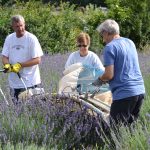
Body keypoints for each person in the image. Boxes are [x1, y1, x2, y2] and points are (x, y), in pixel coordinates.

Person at [92, 19, 145, 126]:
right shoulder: (130, 42)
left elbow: (109, 75)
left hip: (124, 95)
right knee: (130, 131)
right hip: (139, 91)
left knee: (115, 131)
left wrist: (98, 81)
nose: (103, 40)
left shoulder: (109, 47)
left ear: (106, 33)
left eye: (102, 35)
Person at [2, 14, 44, 102]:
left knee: (31, 107)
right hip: (14, 82)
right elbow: (4, 56)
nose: (20, 28)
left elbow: (37, 59)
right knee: (17, 108)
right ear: (13, 27)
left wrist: (20, 65)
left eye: (21, 25)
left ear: (24, 24)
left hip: (30, 81)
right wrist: (7, 65)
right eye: (17, 26)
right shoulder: (9, 39)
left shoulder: (31, 39)